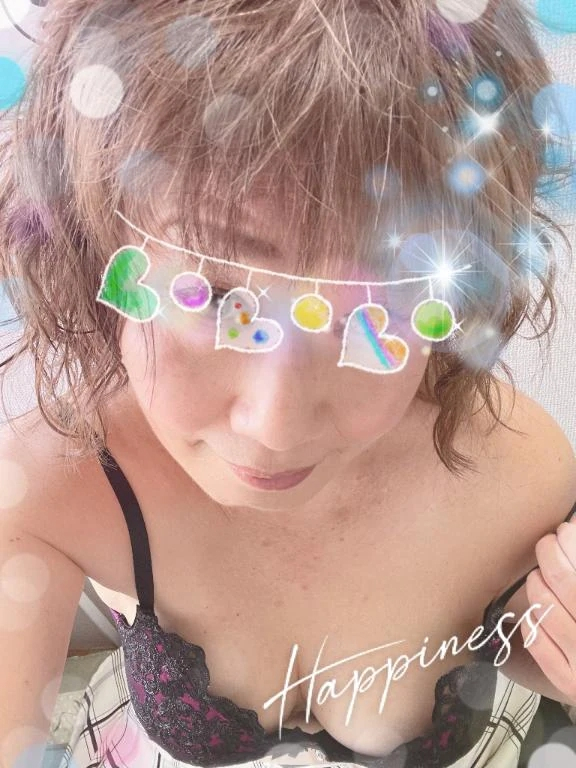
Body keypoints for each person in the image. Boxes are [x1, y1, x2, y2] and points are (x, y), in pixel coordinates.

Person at [0, 0, 575, 767]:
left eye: (371, 312)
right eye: (214, 298)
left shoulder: (515, 472)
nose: (275, 426)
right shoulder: (55, 482)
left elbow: (505, 645)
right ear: (98, 250)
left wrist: (556, 655)